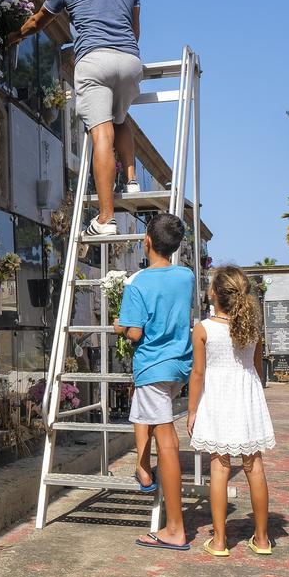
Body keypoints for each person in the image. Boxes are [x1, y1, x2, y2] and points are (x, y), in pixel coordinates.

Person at [9, 0, 143, 236]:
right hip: (130, 59)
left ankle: (105, 219)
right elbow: (135, 30)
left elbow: (39, 20)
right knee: (120, 118)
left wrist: (17, 34)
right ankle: (132, 180)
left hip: (94, 60)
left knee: (101, 133)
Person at [113, 214, 194, 550]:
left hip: (153, 366)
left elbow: (134, 332)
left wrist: (118, 325)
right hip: (179, 365)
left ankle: (174, 528)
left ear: (146, 242)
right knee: (144, 416)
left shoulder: (138, 284)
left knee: (167, 439)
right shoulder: (186, 276)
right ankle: (144, 470)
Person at [187, 266, 276, 557]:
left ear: (215, 294)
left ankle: (220, 541)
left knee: (219, 467)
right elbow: (258, 367)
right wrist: (256, 394)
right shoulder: (251, 327)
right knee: (255, 466)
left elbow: (197, 374)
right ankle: (262, 539)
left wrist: (192, 411)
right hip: (247, 395)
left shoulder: (204, 328)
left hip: (218, 397)